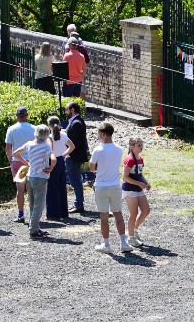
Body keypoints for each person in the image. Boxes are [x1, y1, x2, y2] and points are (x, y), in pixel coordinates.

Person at [90, 122, 132, 253]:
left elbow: (92, 168)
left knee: (104, 217)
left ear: (103, 134)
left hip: (102, 185)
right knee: (118, 214)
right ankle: (123, 243)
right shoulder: (119, 149)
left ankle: (106, 244)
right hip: (115, 185)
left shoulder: (98, 149)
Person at [13, 125, 57, 239]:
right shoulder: (46, 147)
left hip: (30, 176)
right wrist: (50, 168)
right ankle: (33, 230)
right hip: (41, 177)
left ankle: (35, 227)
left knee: (32, 203)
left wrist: (26, 162)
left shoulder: (29, 144)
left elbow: (15, 153)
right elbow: (54, 159)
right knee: (40, 204)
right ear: (46, 135)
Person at [5, 106, 35, 223]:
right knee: (31, 189)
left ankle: (21, 214)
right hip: (31, 161)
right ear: (27, 115)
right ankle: (33, 213)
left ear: (17, 116)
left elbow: (8, 148)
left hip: (17, 161)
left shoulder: (11, 129)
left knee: (20, 189)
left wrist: (10, 160)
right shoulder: (34, 128)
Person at [122, 137, 151, 247]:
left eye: (142, 145)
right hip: (129, 189)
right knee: (133, 213)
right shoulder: (129, 159)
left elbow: (140, 174)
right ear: (132, 147)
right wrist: (139, 184)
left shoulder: (140, 159)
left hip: (138, 188)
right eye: (139, 145)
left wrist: (146, 183)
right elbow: (125, 177)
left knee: (146, 210)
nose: (141, 147)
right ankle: (130, 238)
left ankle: (134, 230)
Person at [46, 116, 74, 219]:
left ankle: (53, 213)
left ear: (49, 126)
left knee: (53, 187)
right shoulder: (63, 134)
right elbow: (72, 146)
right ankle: (63, 212)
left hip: (53, 161)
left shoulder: (49, 137)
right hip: (61, 161)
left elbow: (49, 151)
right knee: (62, 187)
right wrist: (64, 155)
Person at [65, 102, 88, 213]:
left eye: (67, 109)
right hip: (75, 156)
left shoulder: (76, 123)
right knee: (76, 180)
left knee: (75, 181)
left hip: (74, 157)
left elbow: (77, 142)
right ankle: (78, 203)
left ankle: (78, 204)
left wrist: (68, 152)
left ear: (72, 110)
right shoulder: (77, 121)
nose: (65, 112)